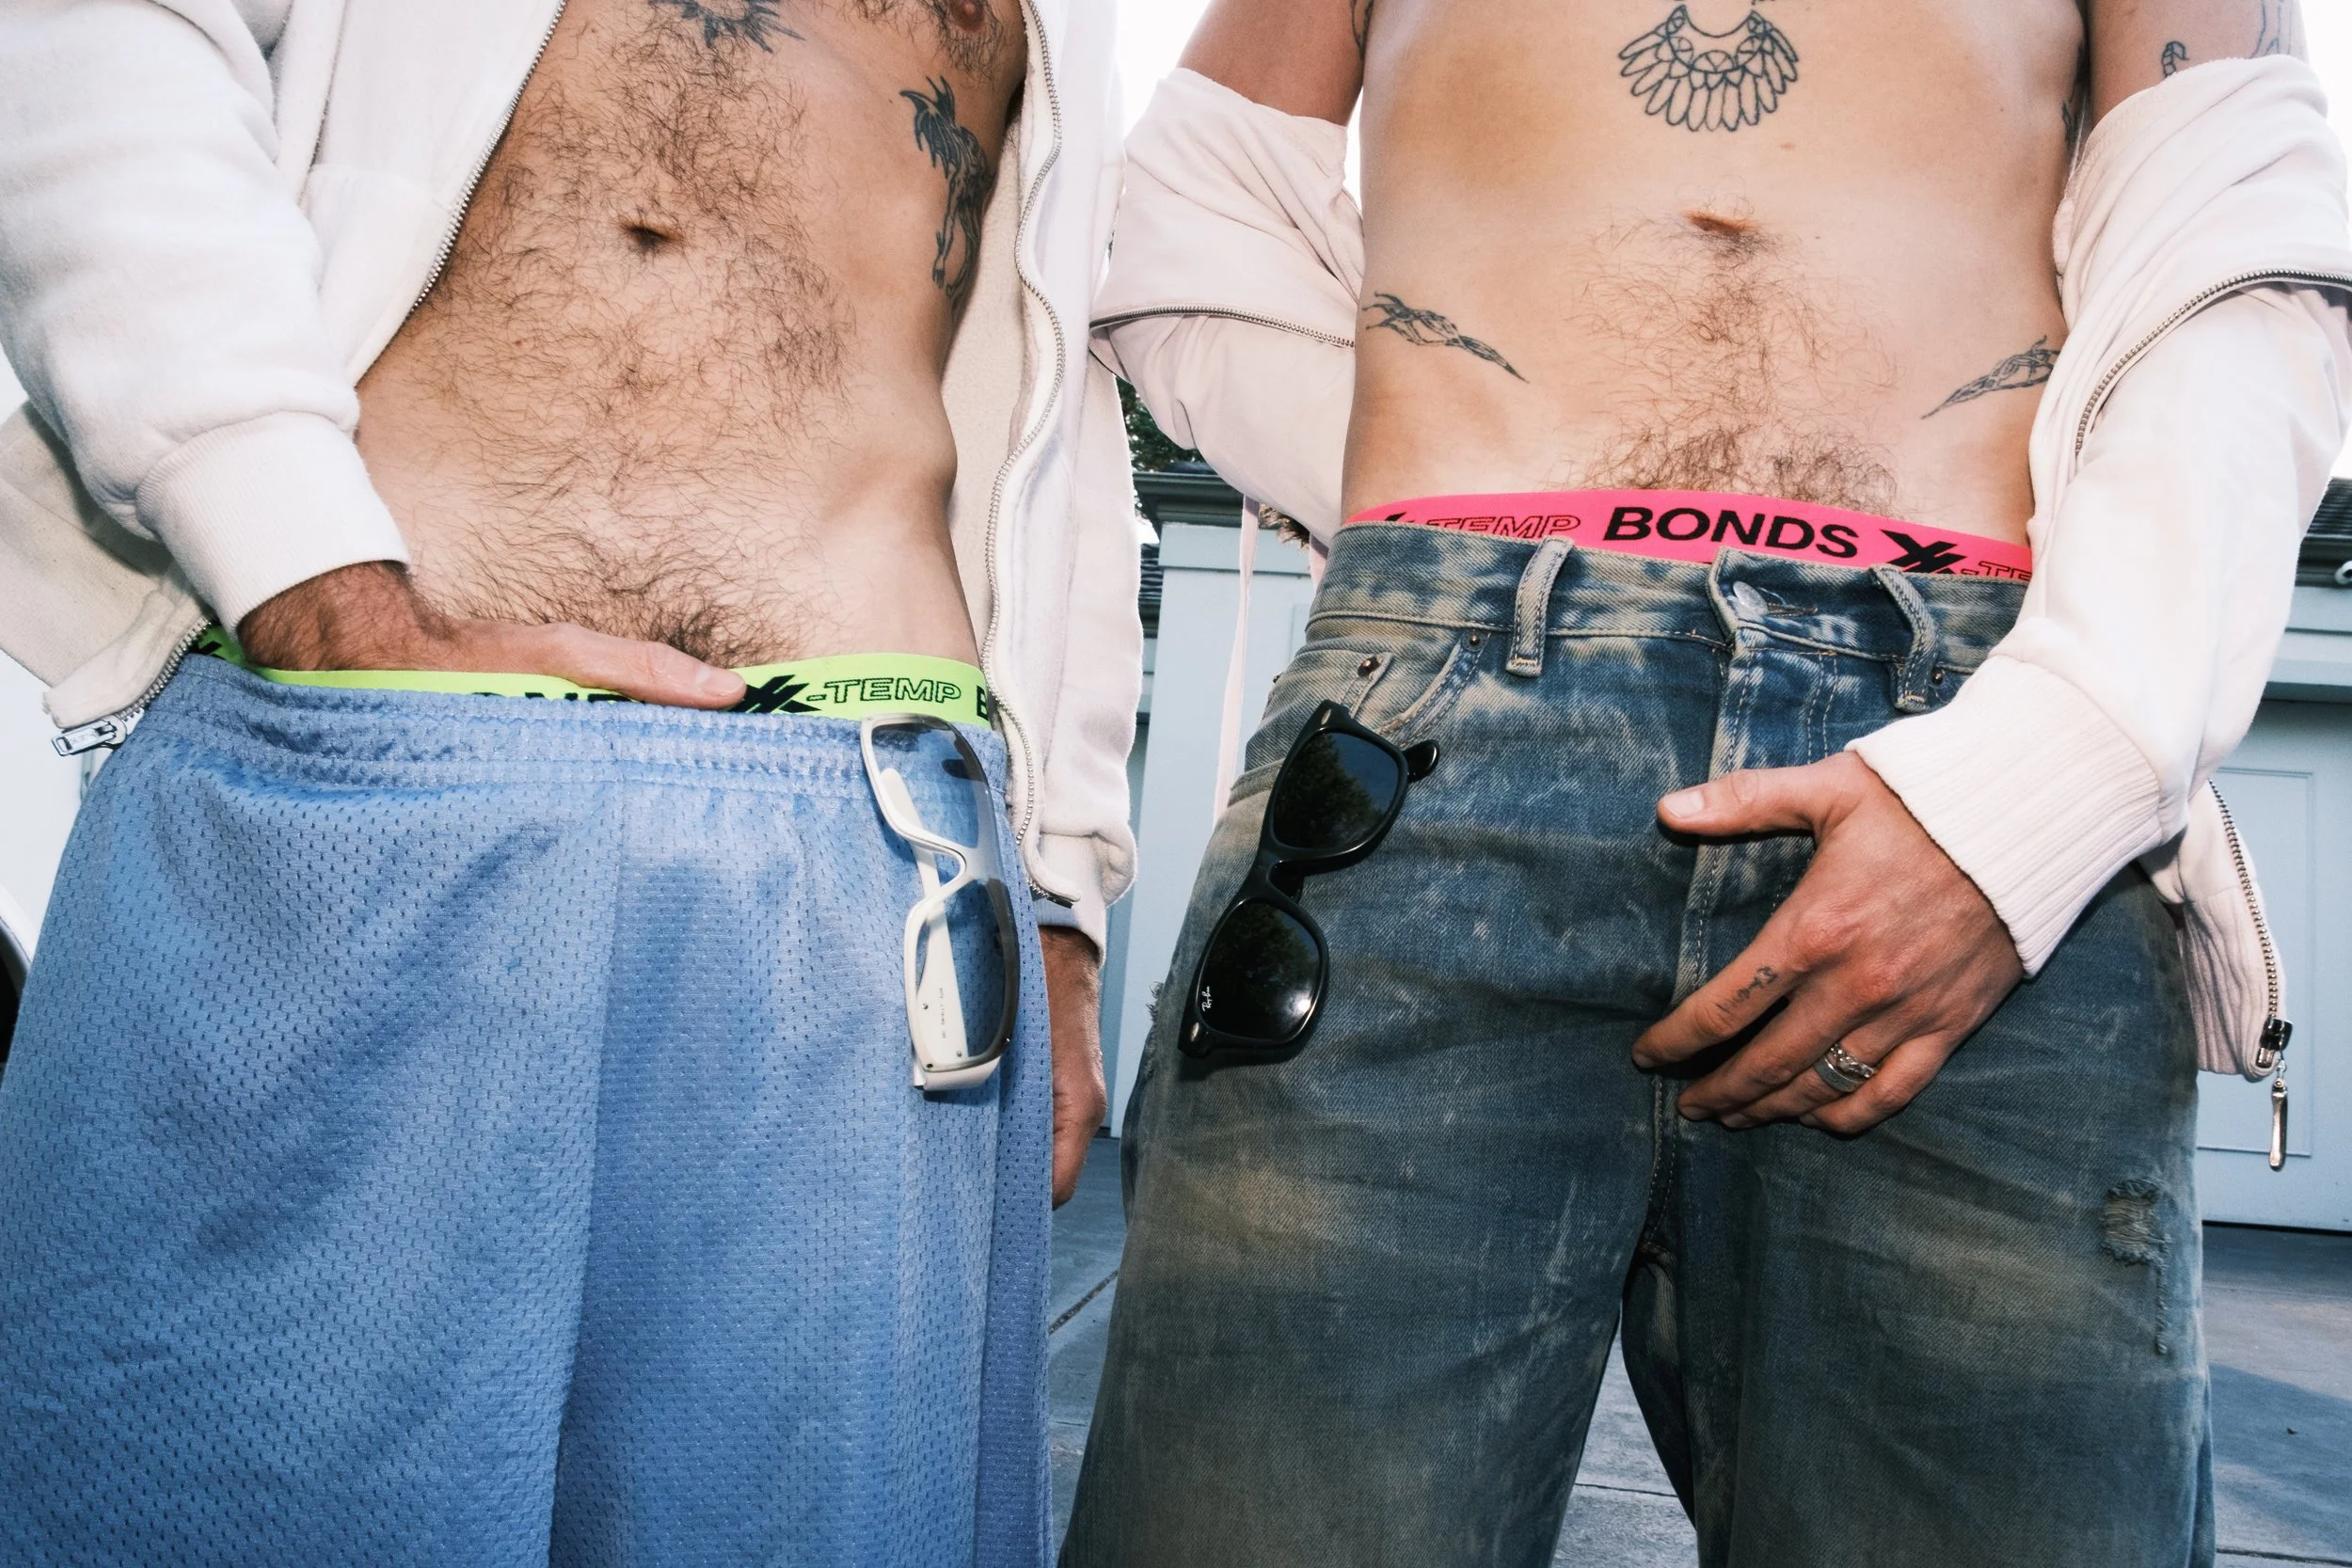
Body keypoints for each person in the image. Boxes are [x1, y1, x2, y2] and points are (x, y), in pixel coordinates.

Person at [1065, 0, 2352, 1562]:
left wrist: (2050, 767)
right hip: (1436, 749)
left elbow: (2239, 233)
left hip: (1965, 729)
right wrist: (1446, 508)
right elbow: (1189, 214)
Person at [0, 0, 1136, 1560]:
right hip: (361, 782)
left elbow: (1063, 375)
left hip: (879, 862)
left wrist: (1061, 885)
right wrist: (303, 572)